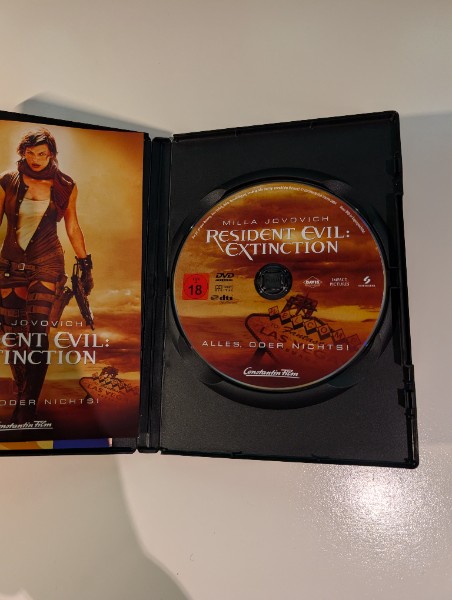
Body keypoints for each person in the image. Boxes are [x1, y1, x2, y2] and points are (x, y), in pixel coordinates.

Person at [0, 128, 93, 424]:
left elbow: (72, 226)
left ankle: (26, 409)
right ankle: (23, 396)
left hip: (48, 263)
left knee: (38, 335)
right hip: (10, 264)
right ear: (22, 153)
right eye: (30, 153)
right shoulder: (7, 181)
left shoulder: (65, 185)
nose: (36, 159)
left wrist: (85, 264)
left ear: (51, 154)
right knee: (13, 337)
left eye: (42, 153)